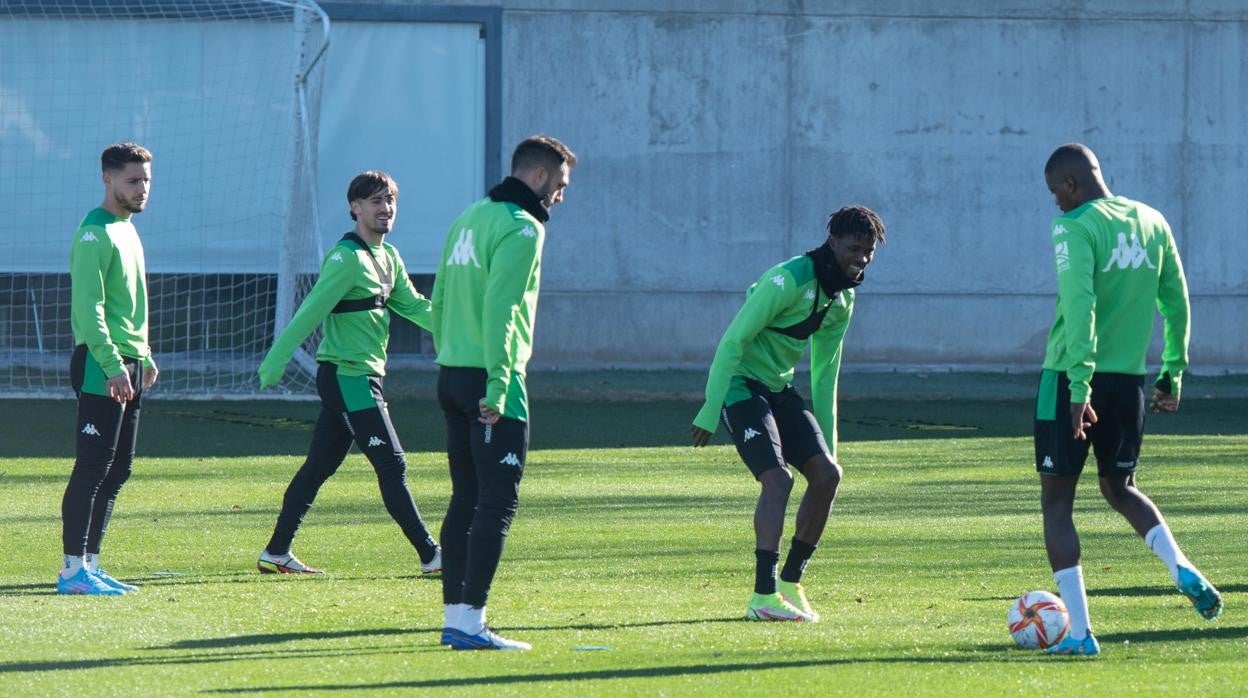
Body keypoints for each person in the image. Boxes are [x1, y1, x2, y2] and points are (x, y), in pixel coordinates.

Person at [1035, 143, 1222, 656]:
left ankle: (1080, 635)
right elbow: (1176, 300)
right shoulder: (1151, 221)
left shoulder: (1074, 227)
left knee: (1057, 503)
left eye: (1056, 192)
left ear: (1071, 183)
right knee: (1121, 488)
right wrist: (1173, 372)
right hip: (1130, 381)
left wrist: (1078, 388)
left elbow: (1080, 306)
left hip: (1072, 380)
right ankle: (1179, 564)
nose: (1056, 203)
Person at [692, 206, 886, 622]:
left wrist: (829, 447)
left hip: (780, 389)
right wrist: (710, 409)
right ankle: (761, 597)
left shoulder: (843, 299)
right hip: (741, 386)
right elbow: (733, 341)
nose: (862, 259)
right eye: (855, 248)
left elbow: (824, 373)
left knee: (828, 476)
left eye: (869, 252)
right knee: (777, 480)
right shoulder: (788, 279)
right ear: (832, 243)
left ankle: (789, 583)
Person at [256, 171, 441, 576]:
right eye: (375, 201)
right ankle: (432, 555)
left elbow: (413, 306)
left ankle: (276, 551)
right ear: (355, 208)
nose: (385, 208)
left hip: (363, 376)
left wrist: (462, 328)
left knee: (318, 468)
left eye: (390, 200)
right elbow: (311, 311)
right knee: (392, 465)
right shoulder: (346, 258)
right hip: (347, 378)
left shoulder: (388, 256)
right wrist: (276, 359)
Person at [432, 135, 576, 650]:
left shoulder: (470, 216)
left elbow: (441, 294)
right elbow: (504, 309)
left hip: (452, 373)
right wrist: (498, 384)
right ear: (537, 177)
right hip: (496, 382)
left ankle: (456, 618)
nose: (560, 196)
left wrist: (446, 355)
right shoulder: (522, 227)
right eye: (559, 185)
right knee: (496, 502)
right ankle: (471, 622)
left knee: (466, 498)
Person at [58, 142, 159, 595]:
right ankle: (70, 570)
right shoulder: (94, 233)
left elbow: (129, 305)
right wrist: (115, 364)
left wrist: (145, 356)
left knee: (119, 470)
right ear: (107, 179)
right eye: (132, 180)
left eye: (146, 180)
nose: (142, 189)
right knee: (92, 468)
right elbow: (91, 308)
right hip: (104, 364)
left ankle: (91, 563)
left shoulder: (127, 230)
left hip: (130, 362)